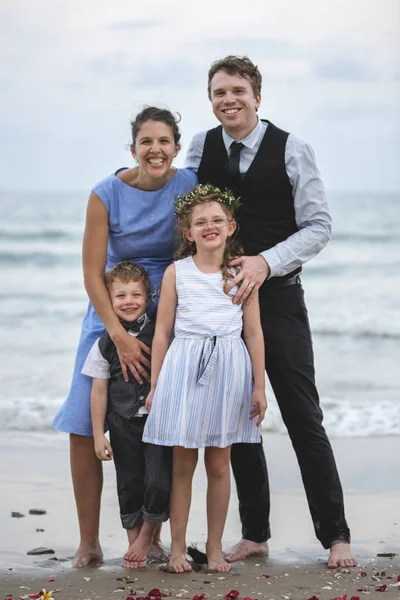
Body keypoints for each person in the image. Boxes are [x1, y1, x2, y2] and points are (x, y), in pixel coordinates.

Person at [184, 55, 357, 569]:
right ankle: (254, 534)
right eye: (218, 92)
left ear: (257, 95)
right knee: (239, 421)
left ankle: (337, 535)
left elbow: (319, 226)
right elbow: (186, 214)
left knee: (304, 417)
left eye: (237, 90)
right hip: (218, 305)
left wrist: (266, 262)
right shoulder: (200, 146)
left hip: (279, 299)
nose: (228, 100)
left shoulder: (293, 148)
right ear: (211, 99)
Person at [53, 106, 198, 567]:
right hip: (114, 306)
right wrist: (115, 333)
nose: (155, 150)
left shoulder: (188, 185)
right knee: (82, 423)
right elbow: (92, 272)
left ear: (176, 146)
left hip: (171, 308)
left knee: (163, 421)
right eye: (146, 142)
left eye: (164, 142)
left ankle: (154, 536)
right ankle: (89, 541)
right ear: (133, 148)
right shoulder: (106, 194)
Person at [142, 184, 267, 573]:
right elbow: (162, 333)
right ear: (188, 232)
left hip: (230, 369)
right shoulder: (176, 272)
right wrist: (155, 385)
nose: (209, 226)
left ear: (231, 227)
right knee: (183, 463)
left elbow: (254, 333)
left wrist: (259, 386)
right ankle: (178, 548)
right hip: (184, 367)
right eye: (200, 222)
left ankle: (214, 548)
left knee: (219, 463)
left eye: (216, 220)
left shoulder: (239, 273)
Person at [81, 261, 171, 569]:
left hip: (158, 422)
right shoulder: (105, 343)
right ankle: (136, 543)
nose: (129, 301)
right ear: (108, 300)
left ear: (149, 297)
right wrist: (97, 434)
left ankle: (148, 539)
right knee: (129, 482)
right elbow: (99, 391)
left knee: (158, 481)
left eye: (136, 294)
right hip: (121, 424)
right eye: (120, 296)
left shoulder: (161, 333)